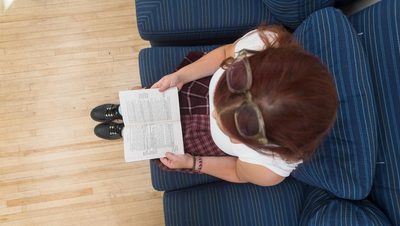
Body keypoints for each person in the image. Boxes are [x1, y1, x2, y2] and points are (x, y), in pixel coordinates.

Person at [90, 25, 338, 186]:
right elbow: (225, 53)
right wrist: (182, 77)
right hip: (199, 88)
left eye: (230, 128)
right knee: (145, 98)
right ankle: (126, 110)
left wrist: (192, 163)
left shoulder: (270, 168)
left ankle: (127, 132)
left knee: (152, 141)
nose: (212, 113)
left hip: (204, 141)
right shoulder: (263, 44)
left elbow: (238, 172)